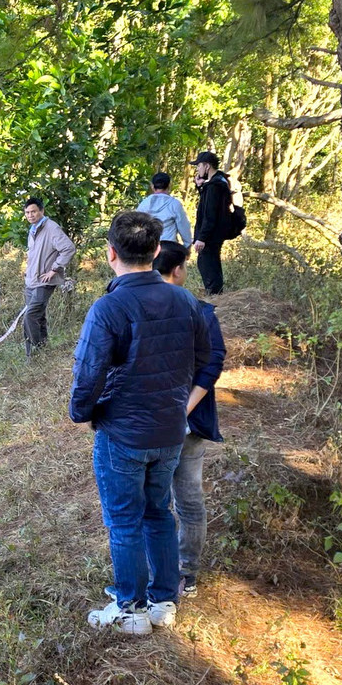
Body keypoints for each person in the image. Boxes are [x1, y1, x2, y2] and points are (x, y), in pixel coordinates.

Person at [69, 211, 210, 635]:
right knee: (158, 513)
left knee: (124, 520)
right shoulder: (185, 301)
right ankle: (164, 599)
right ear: (155, 251)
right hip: (170, 430)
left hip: (123, 434)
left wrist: (84, 411)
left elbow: (88, 372)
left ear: (111, 253)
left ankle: (130, 606)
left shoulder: (109, 307)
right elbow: (202, 359)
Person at [153, 241, 226, 598]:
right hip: (183, 425)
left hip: (149, 424)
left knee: (154, 502)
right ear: (179, 269)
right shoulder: (200, 311)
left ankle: (165, 572)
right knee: (188, 500)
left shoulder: (133, 307)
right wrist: (187, 408)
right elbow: (212, 364)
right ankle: (185, 572)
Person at [22, 196, 76, 355]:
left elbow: (68, 248)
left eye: (33, 211)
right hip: (31, 281)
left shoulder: (51, 228)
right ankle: (42, 349)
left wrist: (54, 269)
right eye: (27, 212)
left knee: (29, 316)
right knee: (38, 316)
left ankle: (36, 351)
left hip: (44, 281)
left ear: (42, 211)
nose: (30, 215)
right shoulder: (32, 230)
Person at [191, 151, 233, 294]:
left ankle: (215, 296)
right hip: (216, 233)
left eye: (199, 165)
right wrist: (201, 187)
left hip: (211, 235)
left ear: (207, 166)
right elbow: (208, 204)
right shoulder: (220, 182)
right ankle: (216, 295)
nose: (197, 169)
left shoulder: (214, 186)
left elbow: (209, 214)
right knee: (210, 263)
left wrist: (202, 238)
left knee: (207, 264)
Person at [136, 171, 193, 246]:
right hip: (168, 247)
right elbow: (183, 226)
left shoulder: (144, 204)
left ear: (152, 186)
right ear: (169, 185)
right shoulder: (174, 204)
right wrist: (187, 244)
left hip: (149, 248)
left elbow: (136, 226)